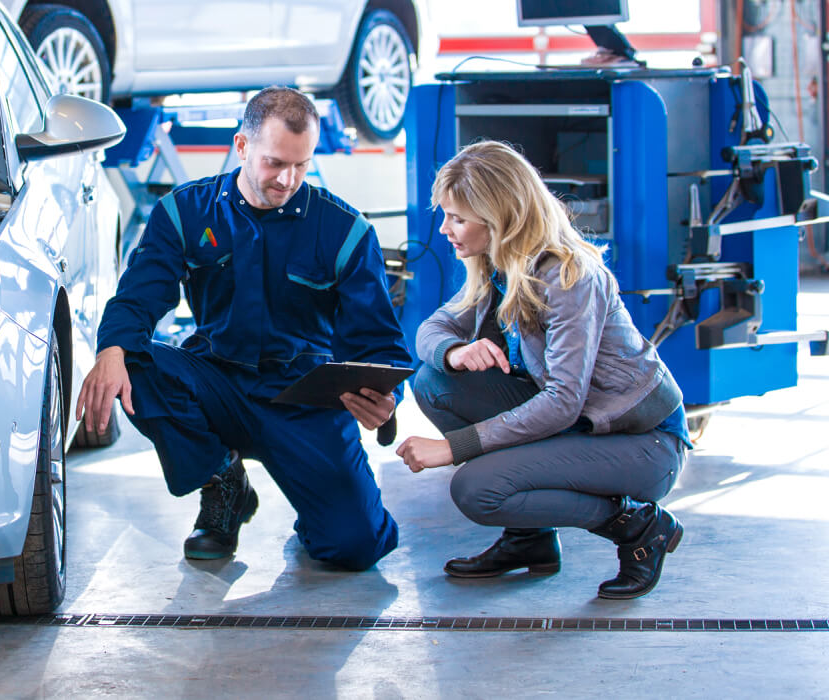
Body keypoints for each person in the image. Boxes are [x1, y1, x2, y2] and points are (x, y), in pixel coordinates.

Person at [76, 86, 410, 569]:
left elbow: (379, 343)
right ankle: (223, 481)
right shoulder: (185, 213)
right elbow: (138, 297)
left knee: (354, 546)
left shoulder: (345, 231)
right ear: (241, 146)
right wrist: (110, 350)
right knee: (134, 361)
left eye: (302, 164)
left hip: (304, 401)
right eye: (276, 162)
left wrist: (385, 399)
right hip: (218, 385)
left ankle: (318, 511)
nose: (289, 179)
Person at [397, 140, 690, 599]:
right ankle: (529, 539)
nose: (444, 229)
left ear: (499, 219)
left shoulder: (568, 276)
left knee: (477, 489)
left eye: (457, 218)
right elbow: (431, 329)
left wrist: (453, 448)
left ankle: (637, 525)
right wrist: (455, 350)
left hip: (643, 443)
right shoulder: (498, 266)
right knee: (434, 381)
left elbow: (563, 401)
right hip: (582, 427)